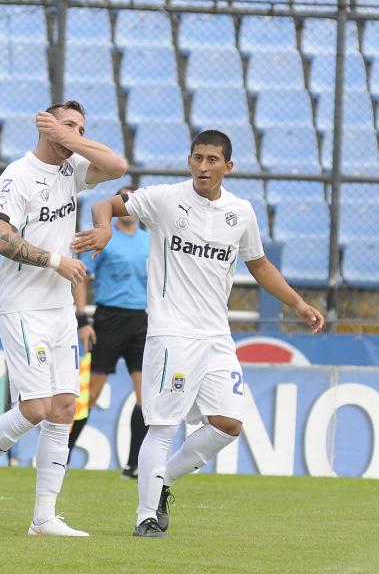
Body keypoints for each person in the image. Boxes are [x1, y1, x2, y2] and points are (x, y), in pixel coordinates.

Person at [73, 130, 324, 538]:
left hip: (216, 336)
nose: (203, 167)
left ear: (229, 167)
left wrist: (297, 303)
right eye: (197, 158)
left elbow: (259, 265)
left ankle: (163, 480)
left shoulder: (240, 212)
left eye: (212, 160)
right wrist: (104, 228)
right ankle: (145, 515)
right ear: (189, 161)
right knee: (163, 425)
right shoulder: (165, 199)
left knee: (228, 424)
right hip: (172, 334)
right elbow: (105, 203)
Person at [0, 101, 127, 537]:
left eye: (83, 127)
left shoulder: (72, 170)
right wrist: (54, 261)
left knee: (65, 407)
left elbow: (117, 166)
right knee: (34, 408)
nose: (77, 134)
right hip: (22, 304)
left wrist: (72, 138)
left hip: (59, 309)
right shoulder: (18, 175)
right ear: (46, 126)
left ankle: (43, 518)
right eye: (69, 125)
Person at [68, 185, 150, 478]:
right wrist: (83, 319)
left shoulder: (149, 241)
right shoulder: (104, 237)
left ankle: (133, 464)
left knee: (146, 397)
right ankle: (60, 457)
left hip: (140, 321)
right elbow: (81, 276)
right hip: (108, 320)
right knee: (89, 396)